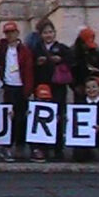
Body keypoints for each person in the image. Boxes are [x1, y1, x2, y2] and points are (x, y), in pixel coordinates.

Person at [32, 19, 72, 160]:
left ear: (54, 33)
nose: (48, 35)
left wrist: (60, 60)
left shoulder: (62, 48)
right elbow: (31, 65)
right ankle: (43, 148)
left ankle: (58, 148)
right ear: (41, 34)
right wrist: (38, 62)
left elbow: (70, 62)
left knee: (58, 116)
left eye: (50, 32)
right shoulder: (36, 48)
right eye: (45, 32)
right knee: (43, 117)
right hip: (42, 86)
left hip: (58, 86)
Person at [0, 21, 34, 156]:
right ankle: (6, 145)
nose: (10, 35)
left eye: (12, 32)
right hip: (7, 87)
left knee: (21, 118)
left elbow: (28, 70)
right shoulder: (2, 49)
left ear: (17, 33)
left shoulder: (24, 50)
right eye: (7, 33)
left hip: (21, 87)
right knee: (8, 117)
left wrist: (28, 89)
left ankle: (20, 145)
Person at [71, 27, 99, 101]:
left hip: (96, 90)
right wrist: (75, 86)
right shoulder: (73, 53)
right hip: (79, 89)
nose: (87, 47)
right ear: (81, 42)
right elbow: (70, 72)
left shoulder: (96, 53)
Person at [28, 84, 55, 163]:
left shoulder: (52, 108)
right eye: (41, 99)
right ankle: (35, 149)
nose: (44, 102)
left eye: (46, 100)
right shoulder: (32, 108)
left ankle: (47, 149)